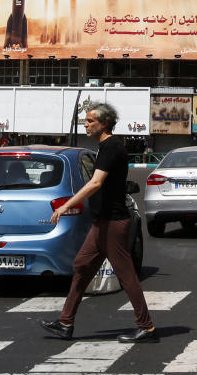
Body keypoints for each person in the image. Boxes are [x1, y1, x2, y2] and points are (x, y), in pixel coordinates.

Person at [40, 102, 157, 343]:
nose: (86, 124)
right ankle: (65, 322)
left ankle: (146, 326)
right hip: (101, 222)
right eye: (85, 121)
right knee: (82, 267)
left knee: (126, 275)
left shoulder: (111, 146)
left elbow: (95, 183)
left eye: (90, 121)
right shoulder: (105, 146)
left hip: (113, 223)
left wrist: (65, 205)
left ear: (104, 123)